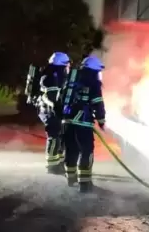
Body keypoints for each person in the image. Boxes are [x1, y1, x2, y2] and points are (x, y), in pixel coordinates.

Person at [61, 55, 105, 193]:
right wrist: (101, 120)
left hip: (66, 121)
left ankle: (71, 179)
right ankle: (85, 184)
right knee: (86, 151)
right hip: (83, 123)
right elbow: (97, 103)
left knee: (71, 150)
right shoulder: (93, 82)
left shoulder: (72, 77)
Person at [39, 51, 70, 174]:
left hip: (56, 111)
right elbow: (51, 96)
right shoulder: (52, 77)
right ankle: (52, 165)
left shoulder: (57, 75)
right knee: (54, 136)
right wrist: (55, 107)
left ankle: (60, 162)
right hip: (49, 111)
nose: (68, 66)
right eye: (67, 64)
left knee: (62, 136)